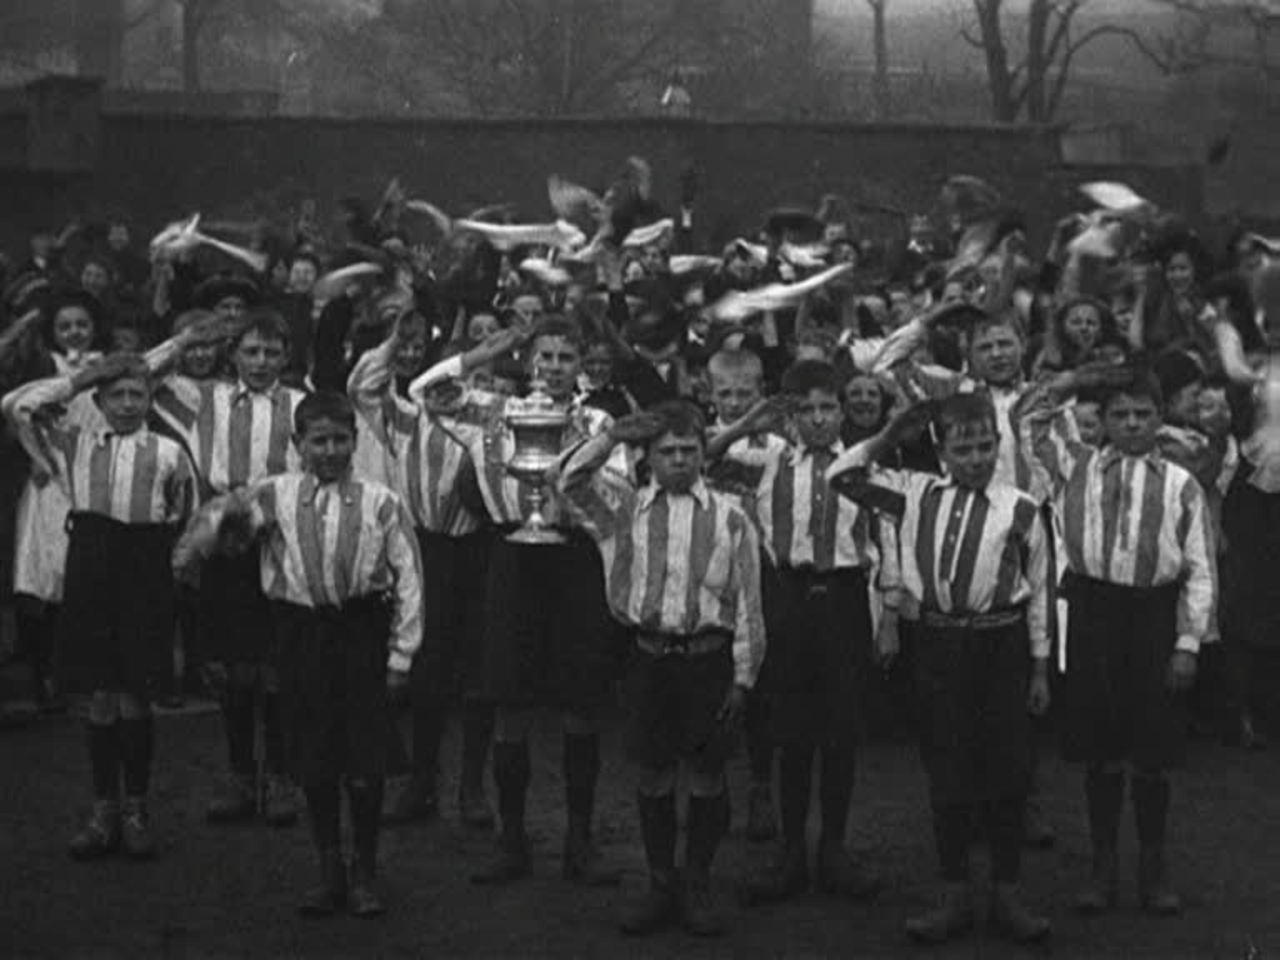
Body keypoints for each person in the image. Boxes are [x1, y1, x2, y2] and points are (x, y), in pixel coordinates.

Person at [174, 392, 423, 917]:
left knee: (363, 759)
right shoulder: (275, 494)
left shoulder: (382, 500)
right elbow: (216, 528)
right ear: (298, 445)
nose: (330, 450)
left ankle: (365, 871)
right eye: (318, 441)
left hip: (360, 634)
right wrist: (203, 540)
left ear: (355, 441)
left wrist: (402, 655)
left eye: (340, 440)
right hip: (300, 637)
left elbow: (410, 582)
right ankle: (329, 868)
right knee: (315, 757)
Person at [826, 391, 1053, 944]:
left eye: (984, 447)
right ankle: (952, 893)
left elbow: (1041, 590)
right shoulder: (914, 493)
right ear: (941, 451)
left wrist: (1041, 667)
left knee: (1006, 773)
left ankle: (1007, 892)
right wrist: (889, 435)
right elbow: (841, 475)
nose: (975, 459)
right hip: (938, 648)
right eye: (962, 449)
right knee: (948, 771)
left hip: (1002, 648)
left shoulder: (1021, 506)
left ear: (998, 446)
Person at [408, 316, 623, 887]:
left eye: (565, 358)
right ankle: (511, 841)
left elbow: (614, 496)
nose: (553, 367)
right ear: (529, 361)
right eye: (544, 356)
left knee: (580, 702)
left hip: (573, 556)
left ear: (581, 365)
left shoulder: (597, 419)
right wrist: (487, 350)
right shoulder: (490, 412)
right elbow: (422, 392)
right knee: (508, 700)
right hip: (509, 555)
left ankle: (580, 842)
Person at [556, 400, 766, 938]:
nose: (679, 460)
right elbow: (568, 479)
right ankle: (660, 883)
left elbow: (747, 602)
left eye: (688, 451)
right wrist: (612, 438)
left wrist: (744, 678)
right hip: (647, 660)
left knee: (706, 772)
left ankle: (697, 884)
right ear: (647, 459)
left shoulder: (731, 516)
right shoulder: (621, 511)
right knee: (652, 772)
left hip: (708, 662)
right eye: (666, 451)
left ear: (703, 454)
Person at [1024, 365, 1216, 917]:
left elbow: (1200, 570)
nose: (1132, 424)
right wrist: (1080, 379)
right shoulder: (1074, 466)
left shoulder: (1181, 485)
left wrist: (1187, 644)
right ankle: (1102, 868)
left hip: (1153, 620)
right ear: (1102, 422)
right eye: (1120, 415)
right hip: (1094, 615)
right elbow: (1031, 416)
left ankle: (1153, 872)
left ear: (1160, 419)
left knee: (1152, 754)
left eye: (1143, 414)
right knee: (1101, 753)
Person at [712, 361, 898, 905]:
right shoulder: (765, 462)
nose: (818, 419)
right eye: (806, 410)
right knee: (789, 729)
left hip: (843, 600)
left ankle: (834, 850)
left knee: (840, 732)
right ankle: (790, 852)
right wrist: (749, 420)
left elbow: (890, 540)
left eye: (828, 408)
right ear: (789, 415)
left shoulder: (864, 465)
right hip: (785, 598)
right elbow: (705, 460)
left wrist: (889, 616)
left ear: (843, 411)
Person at [2, 353, 197, 860]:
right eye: (117, 396)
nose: (128, 404)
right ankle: (102, 809)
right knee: (101, 697)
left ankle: (136, 809)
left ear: (150, 399)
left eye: (137, 394)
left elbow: (183, 512)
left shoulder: (170, 452)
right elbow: (20, 406)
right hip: (92, 567)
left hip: (143, 569)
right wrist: (84, 376)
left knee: (137, 694)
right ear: (99, 402)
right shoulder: (74, 444)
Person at [348, 314, 525, 827]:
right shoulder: (405, 415)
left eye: (478, 380)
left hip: (481, 549)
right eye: (457, 375)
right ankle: (421, 782)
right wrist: (395, 338)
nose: (464, 387)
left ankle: (472, 787)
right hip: (424, 550)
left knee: (478, 671)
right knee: (426, 671)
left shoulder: (497, 422)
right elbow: (362, 383)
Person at [147, 309, 307, 828]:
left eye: (271, 352)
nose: (261, 362)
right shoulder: (205, 399)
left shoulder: (300, 404)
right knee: (235, 665)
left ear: (286, 356)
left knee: (279, 663)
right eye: (250, 351)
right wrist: (192, 337)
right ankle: (241, 775)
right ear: (232, 354)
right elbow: (142, 374)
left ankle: (284, 774)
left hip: (280, 535)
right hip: (223, 535)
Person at [703, 345, 784, 843]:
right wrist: (738, 426)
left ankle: (760, 786)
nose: (734, 402)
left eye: (744, 394)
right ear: (709, 393)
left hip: (762, 571)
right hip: (709, 572)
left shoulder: (777, 445)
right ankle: (712, 786)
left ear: (761, 393)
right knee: (711, 680)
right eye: (724, 393)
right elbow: (707, 455)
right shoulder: (702, 437)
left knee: (762, 684)